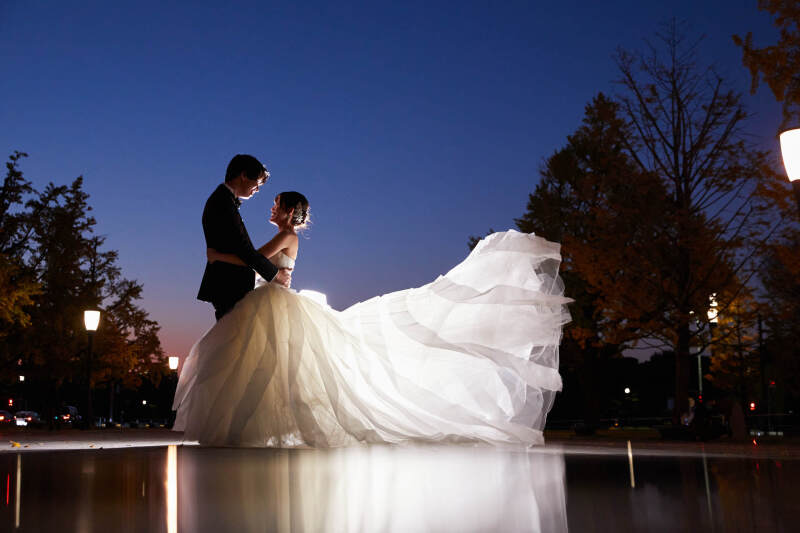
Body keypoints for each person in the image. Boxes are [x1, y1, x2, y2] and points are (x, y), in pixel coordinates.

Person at [173, 199, 572, 447]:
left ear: (289, 212)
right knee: (269, 368)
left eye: (276, 204)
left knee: (275, 367)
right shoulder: (287, 236)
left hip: (275, 303)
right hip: (269, 301)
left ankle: (251, 427)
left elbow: (254, 257)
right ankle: (250, 426)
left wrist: (217, 257)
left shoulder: (286, 236)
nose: (271, 208)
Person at [197, 154, 292, 321]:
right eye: (258, 183)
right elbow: (244, 250)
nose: (258, 189)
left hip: (230, 284)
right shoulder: (222, 203)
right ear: (244, 175)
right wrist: (276, 275)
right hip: (228, 285)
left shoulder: (224, 200)